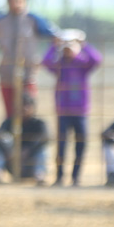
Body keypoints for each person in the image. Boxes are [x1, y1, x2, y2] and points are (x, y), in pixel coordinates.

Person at [0, 0, 59, 120]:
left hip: (28, 72)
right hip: (7, 72)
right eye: (13, 0)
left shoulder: (33, 19)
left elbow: (53, 35)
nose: (17, 3)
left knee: (28, 110)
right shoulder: (0, 21)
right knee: (10, 113)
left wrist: (43, 58)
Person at [41, 29, 102, 187]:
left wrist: (84, 44)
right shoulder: (59, 65)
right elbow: (46, 61)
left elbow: (96, 59)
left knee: (81, 144)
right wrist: (54, 45)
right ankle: (59, 176)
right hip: (62, 111)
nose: (68, 51)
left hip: (81, 111)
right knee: (61, 145)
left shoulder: (82, 65)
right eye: (65, 48)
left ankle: (76, 177)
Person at [0, 94, 49, 184]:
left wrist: (28, 150)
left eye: (27, 105)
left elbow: (45, 137)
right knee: (4, 139)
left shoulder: (38, 124)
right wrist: (10, 151)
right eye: (21, 105)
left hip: (30, 162)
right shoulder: (10, 122)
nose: (24, 108)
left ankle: (40, 175)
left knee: (43, 150)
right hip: (12, 161)